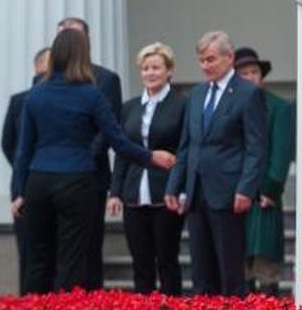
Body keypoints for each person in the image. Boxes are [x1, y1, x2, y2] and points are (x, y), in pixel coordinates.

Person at [10, 29, 175, 293]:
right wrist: (151, 157)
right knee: (71, 260)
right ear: (82, 56)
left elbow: (23, 150)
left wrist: (19, 191)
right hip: (76, 181)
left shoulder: (36, 95)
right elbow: (118, 141)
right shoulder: (91, 95)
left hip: (38, 182)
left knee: (38, 261)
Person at [165, 31, 268, 297]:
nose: (205, 66)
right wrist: (173, 186)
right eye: (201, 60)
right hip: (196, 191)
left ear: (229, 57)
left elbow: (256, 147)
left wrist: (246, 188)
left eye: (210, 59)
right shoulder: (197, 94)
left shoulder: (247, 93)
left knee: (230, 269)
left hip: (229, 191)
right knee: (201, 269)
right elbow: (187, 145)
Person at [107, 43, 188, 295]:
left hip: (167, 194)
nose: (150, 73)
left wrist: (182, 189)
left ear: (169, 71)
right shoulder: (129, 107)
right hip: (133, 195)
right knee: (141, 263)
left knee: (167, 260)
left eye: (156, 67)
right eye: (145, 68)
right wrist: (115, 192)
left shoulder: (181, 104)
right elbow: (123, 151)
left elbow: (185, 150)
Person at [56, 15, 123, 290]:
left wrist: (79, 158)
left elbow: (108, 129)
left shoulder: (105, 79)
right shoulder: (46, 80)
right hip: (53, 178)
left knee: (88, 249)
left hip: (89, 176)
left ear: (88, 41)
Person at [235, 47, 294, 296]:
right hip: (235, 192)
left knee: (265, 258)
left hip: (264, 194)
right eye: (244, 73)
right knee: (239, 260)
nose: (250, 77)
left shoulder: (278, 106)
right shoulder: (231, 106)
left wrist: (272, 187)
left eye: (254, 72)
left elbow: (281, 152)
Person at [1, 47, 50, 294]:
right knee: (29, 253)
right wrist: (29, 175)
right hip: (25, 187)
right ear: (37, 66)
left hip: (56, 185)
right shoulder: (20, 100)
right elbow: (8, 144)